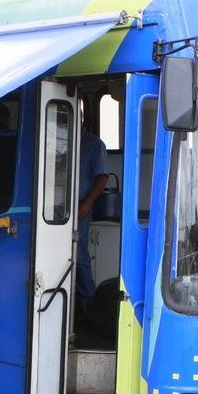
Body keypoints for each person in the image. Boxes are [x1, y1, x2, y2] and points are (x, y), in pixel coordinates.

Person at [75, 112, 109, 318]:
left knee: (79, 256)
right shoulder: (56, 140)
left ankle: (89, 304)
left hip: (79, 208)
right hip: (53, 207)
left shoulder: (94, 145)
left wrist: (87, 203)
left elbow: (103, 176)